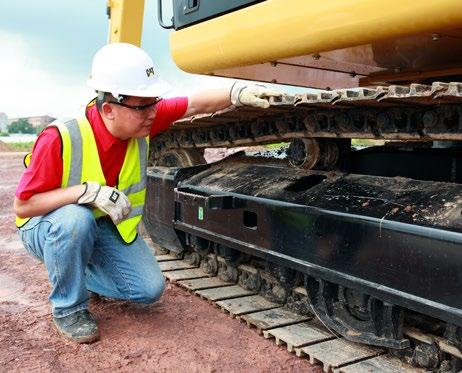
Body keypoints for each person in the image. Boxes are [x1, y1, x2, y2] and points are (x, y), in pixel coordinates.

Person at [13, 42, 281, 343]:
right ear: (109, 109)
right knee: (75, 220)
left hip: (100, 224)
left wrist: (236, 94)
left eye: (155, 102)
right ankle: (68, 309)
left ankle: (74, 272)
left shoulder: (140, 118)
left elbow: (194, 104)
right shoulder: (60, 138)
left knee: (147, 290)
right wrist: (86, 192)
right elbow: (24, 206)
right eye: (144, 106)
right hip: (49, 226)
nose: (154, 112)